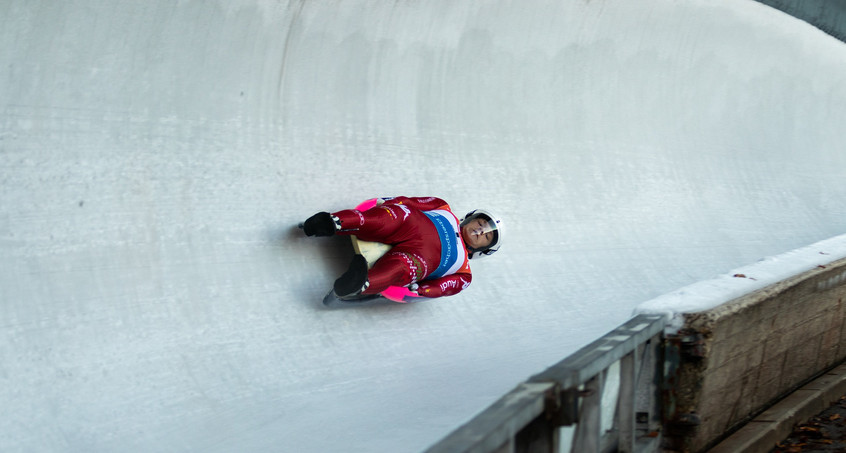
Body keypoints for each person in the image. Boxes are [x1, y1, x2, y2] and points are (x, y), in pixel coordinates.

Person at [301, 196, 502, 300]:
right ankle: (331, 222)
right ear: (472, 218)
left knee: (400, 268)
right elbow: (411, 202)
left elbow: (444, 288)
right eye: (482, 224)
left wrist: (423, 290)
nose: (481, 231)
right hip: (411, 222)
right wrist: (393, 204)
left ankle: (361, 282)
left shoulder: (464, 272)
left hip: (422, 258)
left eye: (487, 235)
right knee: (385, 219)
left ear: (484, 249)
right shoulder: (443, 207)